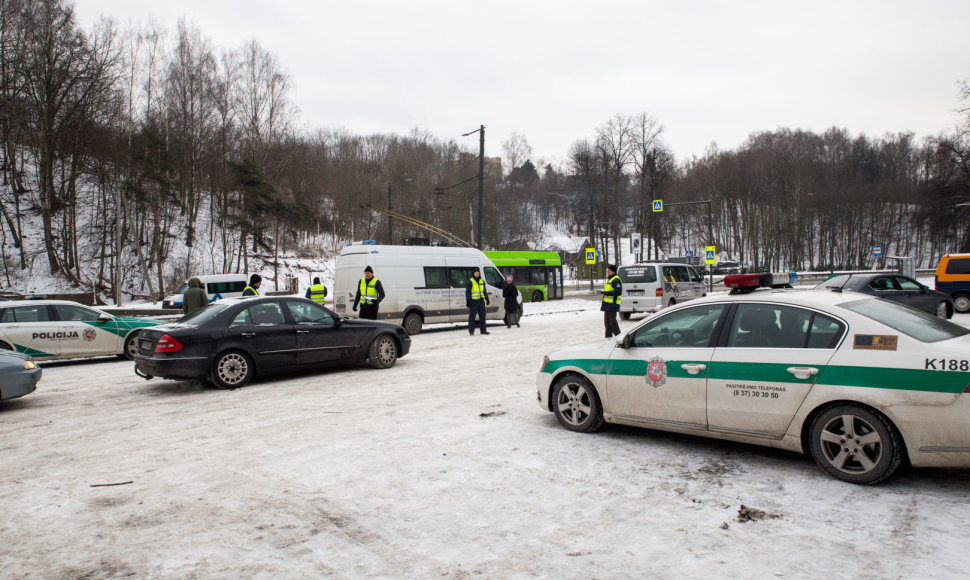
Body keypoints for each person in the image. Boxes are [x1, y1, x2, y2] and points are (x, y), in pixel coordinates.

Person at [466, 268, 490, 335]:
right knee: (472, 317)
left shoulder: (482, 281)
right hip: (473, 301)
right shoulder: (470, 281)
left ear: (479, 274)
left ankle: (483, 330)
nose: (477, 274)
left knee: (482, 316)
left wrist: (487, 299)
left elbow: (484, 291)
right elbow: (468, 292)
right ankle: (471, 331)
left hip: (481, 301)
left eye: (478, 273)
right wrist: (468, 300)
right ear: (473, 274)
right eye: (475, 273)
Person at [601, 264, 622, 338]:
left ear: (613, 271)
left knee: (613, 324)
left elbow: (618, 292)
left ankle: (619, 338)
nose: (607, 271)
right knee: (607, 324)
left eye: (609, 270)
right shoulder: (610, 279)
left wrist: (607, 293)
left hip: (612, 305)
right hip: (607, 305)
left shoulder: (616, 280)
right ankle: (608, 339)